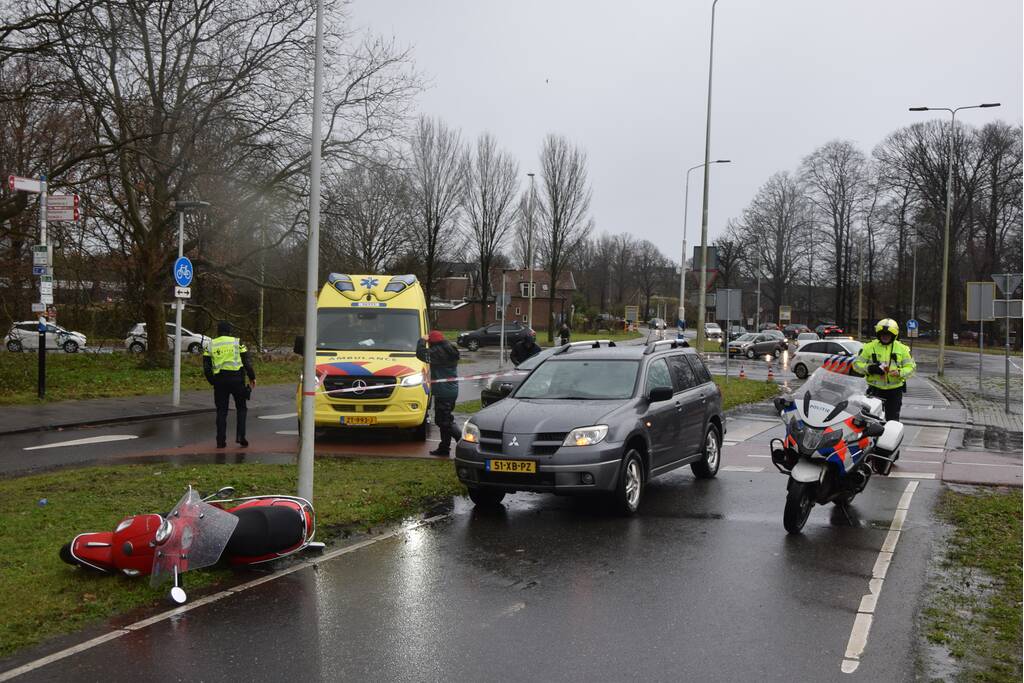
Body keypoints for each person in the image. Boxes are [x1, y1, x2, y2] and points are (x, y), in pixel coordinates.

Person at [203, 321, 256, 448]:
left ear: (218, 331)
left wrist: (213, 381)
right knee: (241, 408)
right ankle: (240, 436)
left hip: (220, 381)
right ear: (230, 331)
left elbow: (206, 367)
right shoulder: (237, 342)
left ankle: (220, 441)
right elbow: (246, 362)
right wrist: (252, 377)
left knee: (221, 411)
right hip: (237, 379)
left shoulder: (210, 345)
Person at [852, 318, 916, 423]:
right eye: (882, 334)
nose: (885, 336)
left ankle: (890, 438)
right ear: (878, 334)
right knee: (872, 420)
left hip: (894, 391)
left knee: (893, 421)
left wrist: (900, 373)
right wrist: (869, 368)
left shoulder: (903, 349)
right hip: (874, 390)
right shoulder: (868, 347)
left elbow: (911, 367)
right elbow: (856, 364)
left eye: (888, 335)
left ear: (894, 335)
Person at [416, 330, 460, 457]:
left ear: (433, 343)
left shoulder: (439, 352)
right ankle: (444, 448)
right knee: (445, 420)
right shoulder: (449, 349)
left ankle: (462, 442)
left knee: (444, 421)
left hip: (444, 391)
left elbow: (420, 354)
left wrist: (422, 340)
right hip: (450, 391)